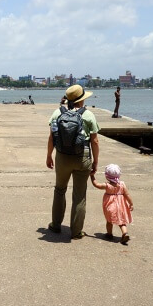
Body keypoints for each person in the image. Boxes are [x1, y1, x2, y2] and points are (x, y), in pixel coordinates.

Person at [46, 85, 99, 240]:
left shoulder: (57, 113)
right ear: (81, 100)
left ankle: (56, 225)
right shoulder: (88, 115)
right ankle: (76, 232)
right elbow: (95, 142)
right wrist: (95, 162)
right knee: (79, 196)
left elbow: (51, 138)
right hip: (82, 157)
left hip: (62, 157)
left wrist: (49, 155)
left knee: (59, 190)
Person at [90, 164, 134, 244]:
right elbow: (127, 195)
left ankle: (109, 234)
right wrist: (131, 203)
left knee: (109, 220)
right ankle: (125, 233)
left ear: (107, 176)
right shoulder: (122, 184)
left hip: (111, 206)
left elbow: (96, 184)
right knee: (122, 221)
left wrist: (92, 176)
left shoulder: (107, 185)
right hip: (121, 206)